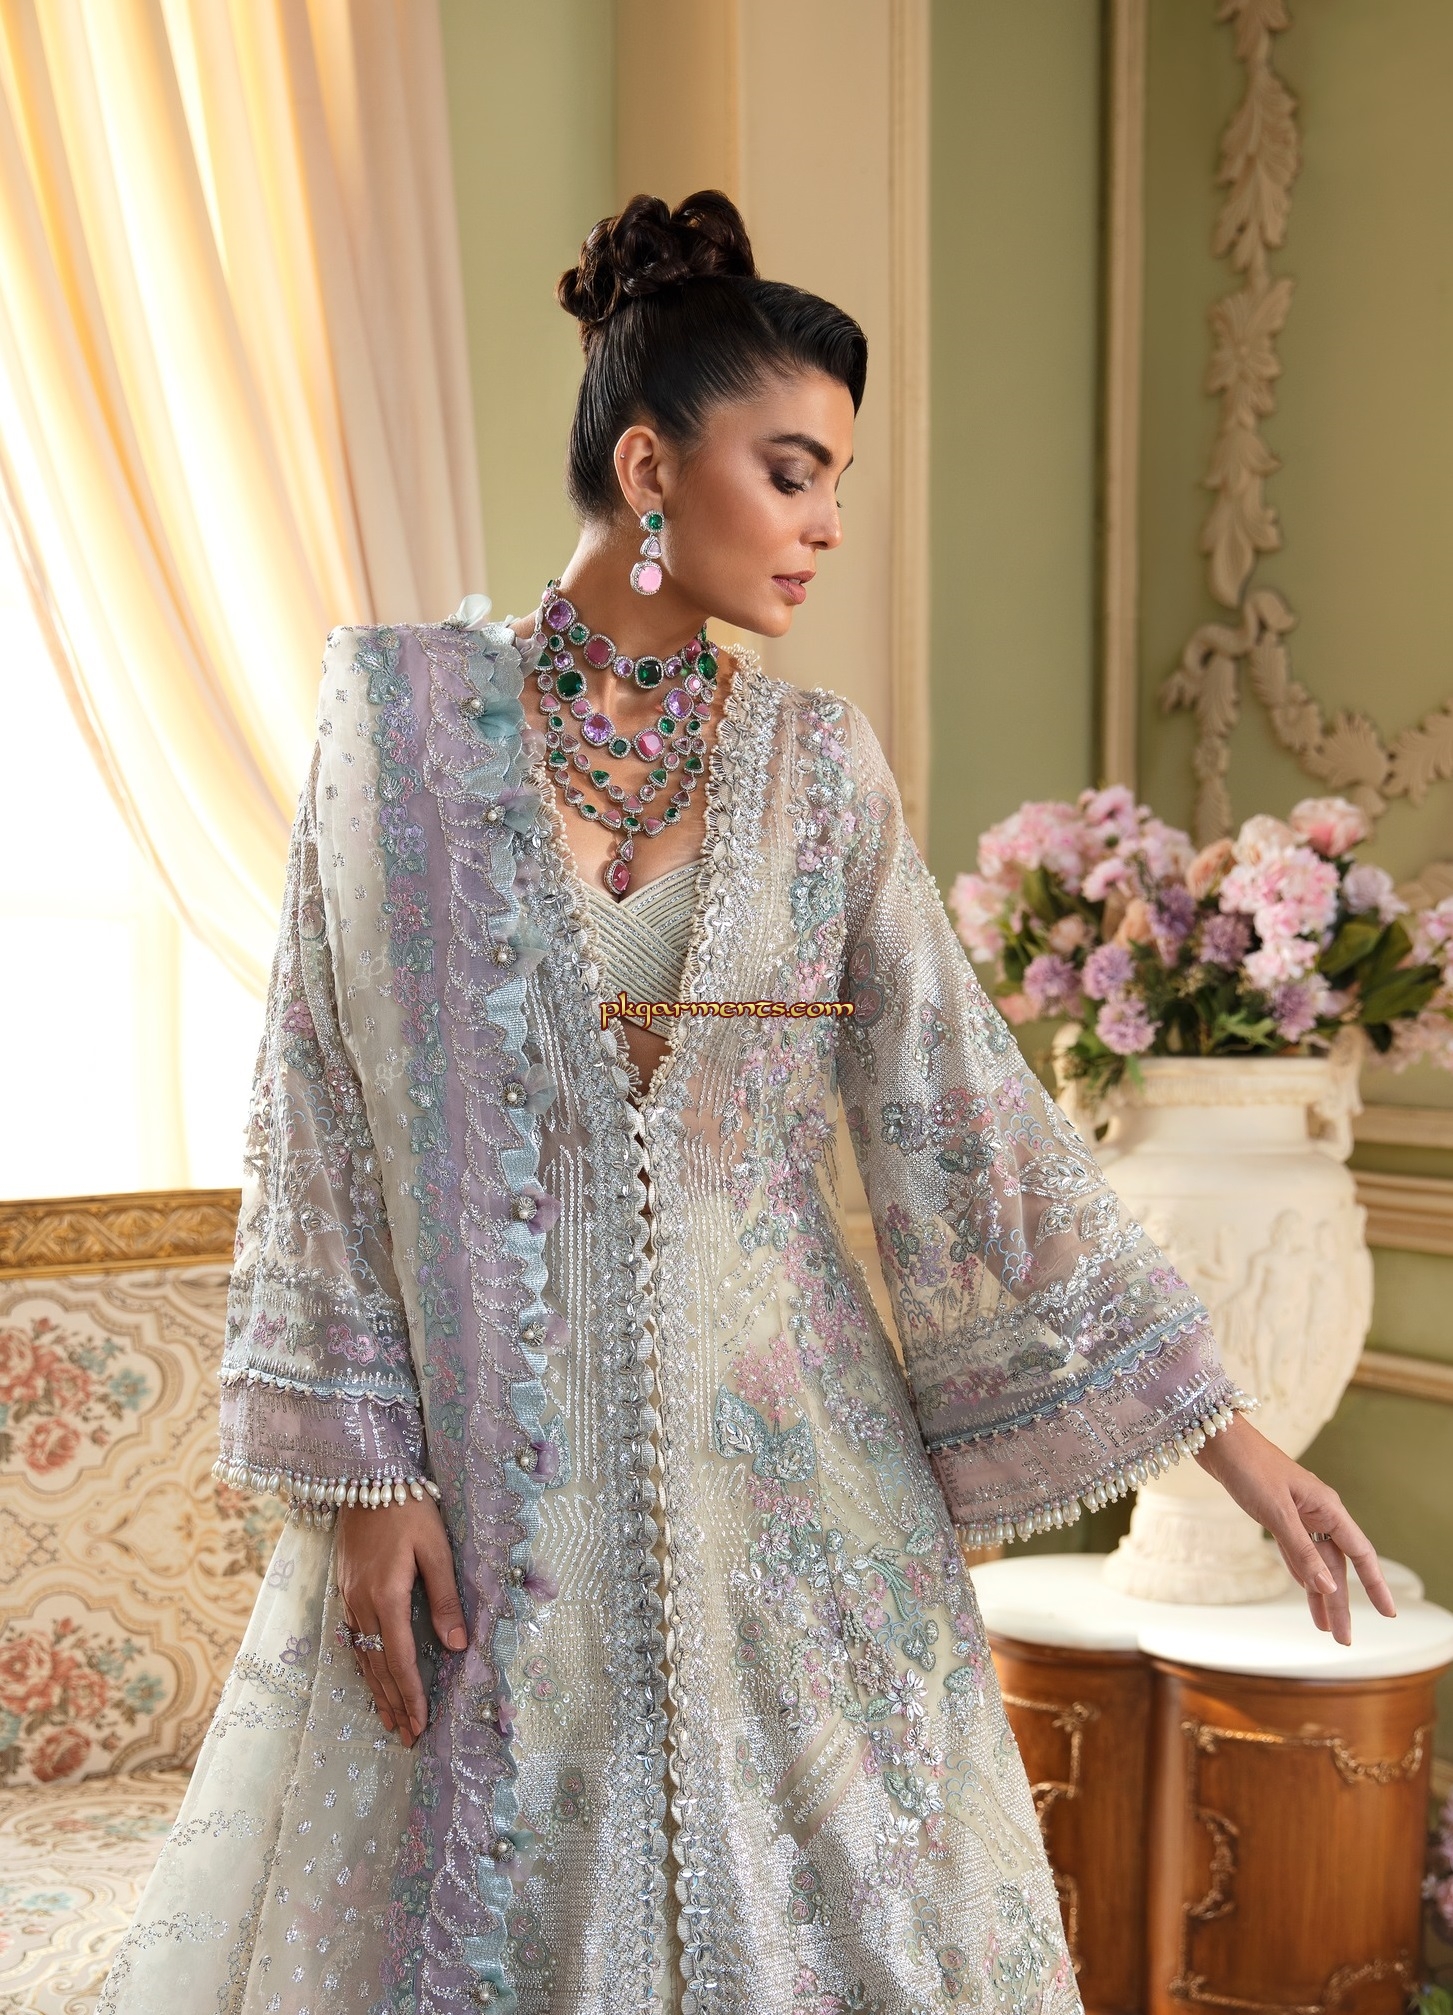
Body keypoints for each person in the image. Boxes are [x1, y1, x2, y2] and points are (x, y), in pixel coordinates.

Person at [100, 191, 1395, 2015]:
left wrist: (1232, 1441)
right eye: (790, 474)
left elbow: (971, 1122)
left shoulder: (818, 767)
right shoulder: (397, 727)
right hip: (491, 1514)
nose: (825, 524)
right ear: (649, 466)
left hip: (804, 1521)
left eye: (835, 482)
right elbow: (317, 1098)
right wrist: (369, 1474)